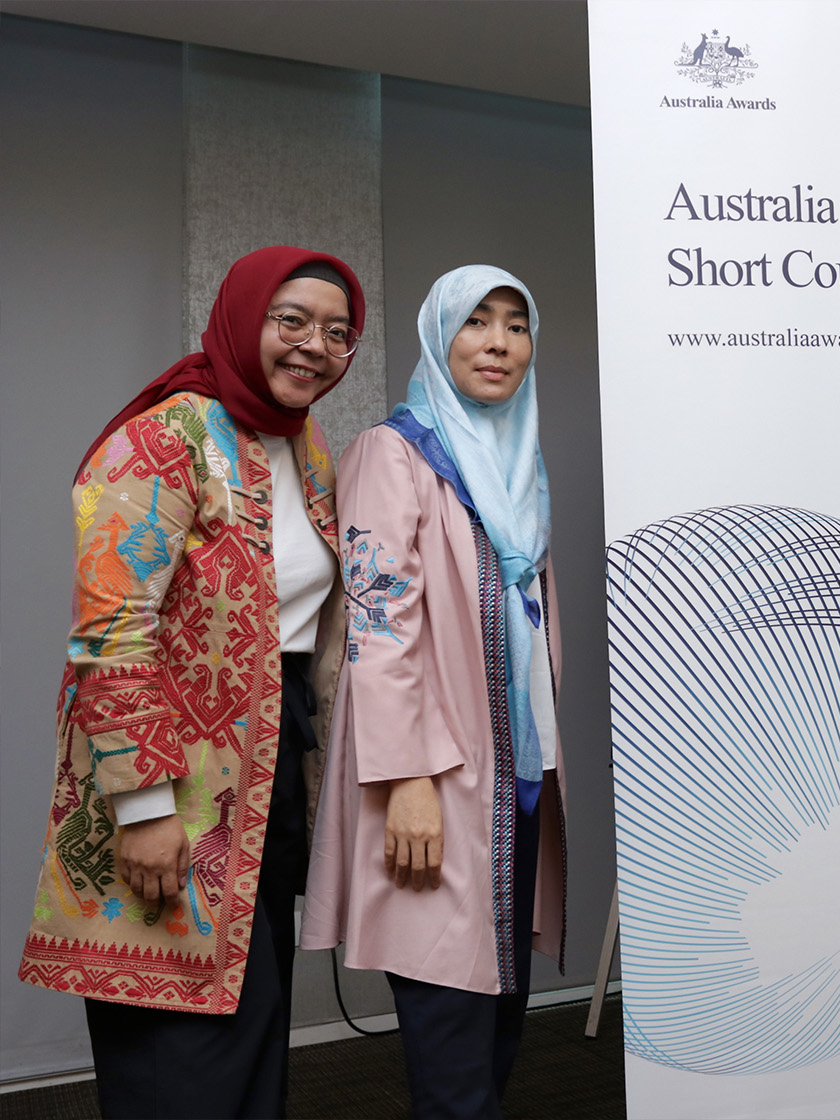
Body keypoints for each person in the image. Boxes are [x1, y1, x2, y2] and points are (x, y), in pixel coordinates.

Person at [18, 246, 364, 1117]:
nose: (314, 347)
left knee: (249, 1043)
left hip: (270, 771)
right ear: (244, 320)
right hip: (171, 782)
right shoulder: (161, 437)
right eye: (292, 322)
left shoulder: (305, 449)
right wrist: (144, 810)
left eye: (338, 332)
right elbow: (110, 636)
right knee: (179, 1062)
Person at [301, 265, 567, 1119]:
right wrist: (405, 779)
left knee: (497, 1034)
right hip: (434, 784)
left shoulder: (517, 463)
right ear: (438, 337)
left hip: (515, 785)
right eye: (476, 323)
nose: (498, 343)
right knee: (452, 1049)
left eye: (515, 326)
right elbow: (379, 628)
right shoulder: (395, 453)